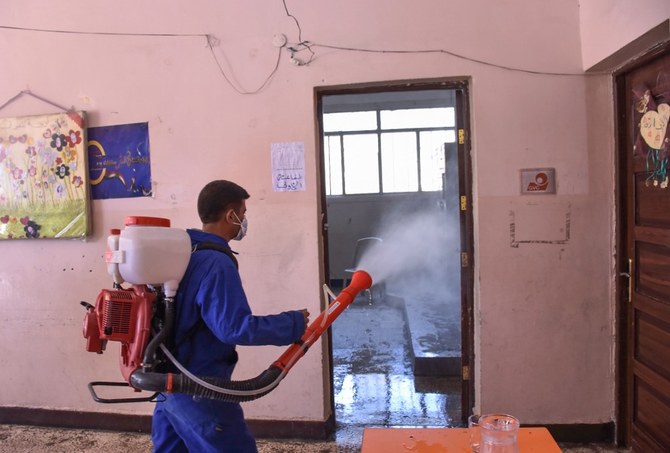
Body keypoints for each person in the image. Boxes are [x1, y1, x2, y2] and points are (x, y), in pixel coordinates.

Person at [151, 180, 310, 453]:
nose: (244, 221)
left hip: (168, 386)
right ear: (230, 215)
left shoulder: (185, 251)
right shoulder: (216, 263)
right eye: (243, 214)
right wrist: (293, 323)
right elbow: (234, 328)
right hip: (200, 387)